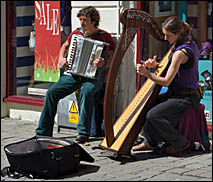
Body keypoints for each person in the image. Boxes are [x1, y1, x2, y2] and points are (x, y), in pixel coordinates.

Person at [35, 6, 115, 143]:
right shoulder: (76, 34)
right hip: (73, 75)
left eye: (85, 20)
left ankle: (83, 132)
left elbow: (112, 60)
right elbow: (65, 46)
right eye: (81, 19)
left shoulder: (105, 37)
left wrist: (103, 63)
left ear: (93, 21)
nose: (82, 23)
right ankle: (43, 131)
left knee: (87, 91)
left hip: (93, 77)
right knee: (51, 93)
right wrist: (61, 59)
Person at [132, 16, 202, 155]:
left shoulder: (180, 53)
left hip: (187, 97)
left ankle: (181, 143)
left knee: (154, 115)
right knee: (148, 104)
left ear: (178, 34)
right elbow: (177, 70)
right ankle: (150, 142)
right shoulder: (188, 43)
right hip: (177, 93)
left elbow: (166, 81)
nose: (165, 38)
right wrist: (156, 66)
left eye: (168, 35)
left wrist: (147, 74)